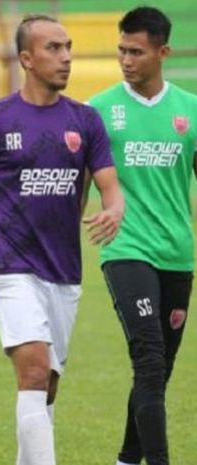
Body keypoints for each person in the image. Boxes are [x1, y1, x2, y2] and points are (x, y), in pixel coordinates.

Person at [0, 14, 124, 465]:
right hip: (13, 268)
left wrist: (114, 206)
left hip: (64, 271)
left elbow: (108, 182)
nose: (65, 57)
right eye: (53, 48)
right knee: (33, 371)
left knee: (47, 386)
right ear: (26, 58)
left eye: (68, 47)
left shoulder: (85, 121)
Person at [87, 7, 197, 465]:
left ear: (163, 52)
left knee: (159, 371)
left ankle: (127, 459)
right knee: (149, 359)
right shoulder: (98, 110)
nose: (126, 60)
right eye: (121, 50)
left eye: (136, 52)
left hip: (177, 254)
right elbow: (74, 184)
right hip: (125, 249)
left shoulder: (190, 111)